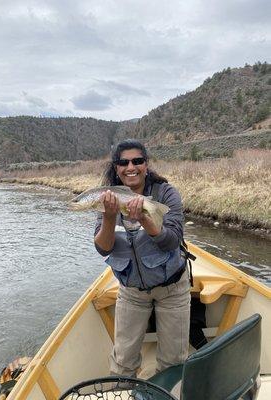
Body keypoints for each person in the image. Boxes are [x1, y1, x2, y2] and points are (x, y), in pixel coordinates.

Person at [94, 139, 190, 377]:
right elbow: (103, 248)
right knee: (122, 363)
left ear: (146, 164)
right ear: (116, 168)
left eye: (137, 161)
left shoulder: (165, 193)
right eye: (124, 162)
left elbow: (171, 242)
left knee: (174, 364)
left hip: (173, 289)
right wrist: (108, 217)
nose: (131, 167)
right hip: (131, 291)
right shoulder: (107, 198)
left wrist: (145, 219)